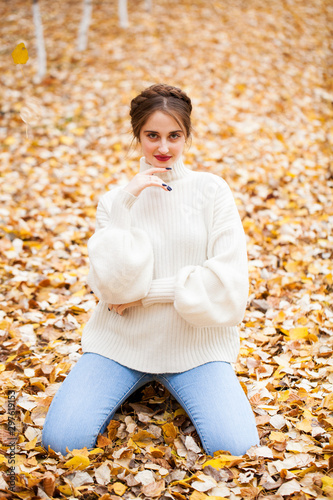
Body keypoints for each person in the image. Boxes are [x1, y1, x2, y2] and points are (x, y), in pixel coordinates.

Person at [42, 83, 260, 457]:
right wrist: (127, 201)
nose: (163, 147)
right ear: (137, 135)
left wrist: (144, 295)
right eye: (152, 135)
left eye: (174, 135)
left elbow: (229, 286)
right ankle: (136, 382)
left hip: (196, 348)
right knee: (59, 442)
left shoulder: (212, 191)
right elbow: (111, 289)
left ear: (187, 135)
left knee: (237, 449)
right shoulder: (115, 201)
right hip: (121, 344)